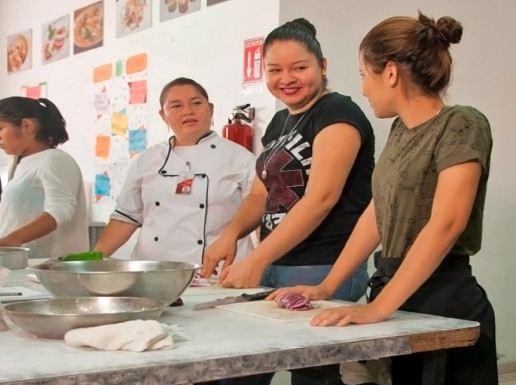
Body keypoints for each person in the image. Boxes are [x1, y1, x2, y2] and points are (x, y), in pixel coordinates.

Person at [270, 12, 497, 385]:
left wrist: (379, 307)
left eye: (363, 74)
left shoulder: (462, 123)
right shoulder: (399, 130)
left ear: (390, 72)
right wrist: (326, 287)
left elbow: (447, 223)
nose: (362, 88)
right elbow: (376, 214)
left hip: (445, 299)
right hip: (397, 293)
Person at [199, 19, 375, 385]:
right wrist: (231, 235)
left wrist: (258, 258)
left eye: (300, 68)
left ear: (323, 66)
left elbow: (322, 198)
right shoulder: (279, 122)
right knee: (240, 369)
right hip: (277, 264)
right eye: (275, 70)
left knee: (312, 375)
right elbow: (261, 193)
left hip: (324, 264)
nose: (287, 79)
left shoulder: (337, 113)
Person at [92, 77, 256, 265]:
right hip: (152, 270)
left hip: (217, 272)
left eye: (196, 103)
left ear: (210, 109)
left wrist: (262, 263)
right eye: (176, 106)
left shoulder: (240, 159)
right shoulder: (147, 160)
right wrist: (93, 258)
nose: (187, 111)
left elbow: (260, 213)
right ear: (163, 115)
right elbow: (126, 217)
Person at [0, 96, 89, 259]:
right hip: (20, 264)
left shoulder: (54, 160)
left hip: (44, 268)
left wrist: (10, 240)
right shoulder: (26, 163)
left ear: (27, 126)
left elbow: (59, 211)